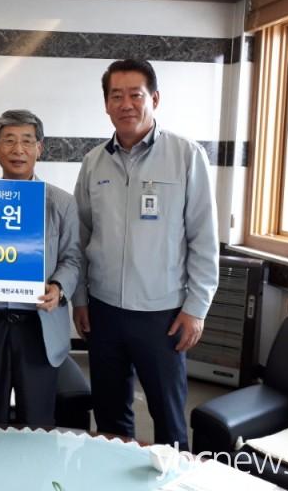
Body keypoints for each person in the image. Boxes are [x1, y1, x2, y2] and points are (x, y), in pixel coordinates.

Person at [73, 59, 219, 449]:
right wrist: (81, 298)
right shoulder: (93, 162)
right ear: (106, 104)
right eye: (116, 96)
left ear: (154, 99)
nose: (126, 104)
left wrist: (197, 308)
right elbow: (81, 237)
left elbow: (203, 238)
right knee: (110, 416)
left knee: (168, 416)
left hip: (163, 315)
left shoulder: (186, 156)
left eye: (135, 95)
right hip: (104, 310)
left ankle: (174, 475)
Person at [0, 109, 81, 426]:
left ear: (39, 148)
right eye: (9, 140)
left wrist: (59, 287)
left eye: (27, 141)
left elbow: (73, 258)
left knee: (37, 423)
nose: (18, 150)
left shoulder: (61, 203)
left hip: (39, 328)